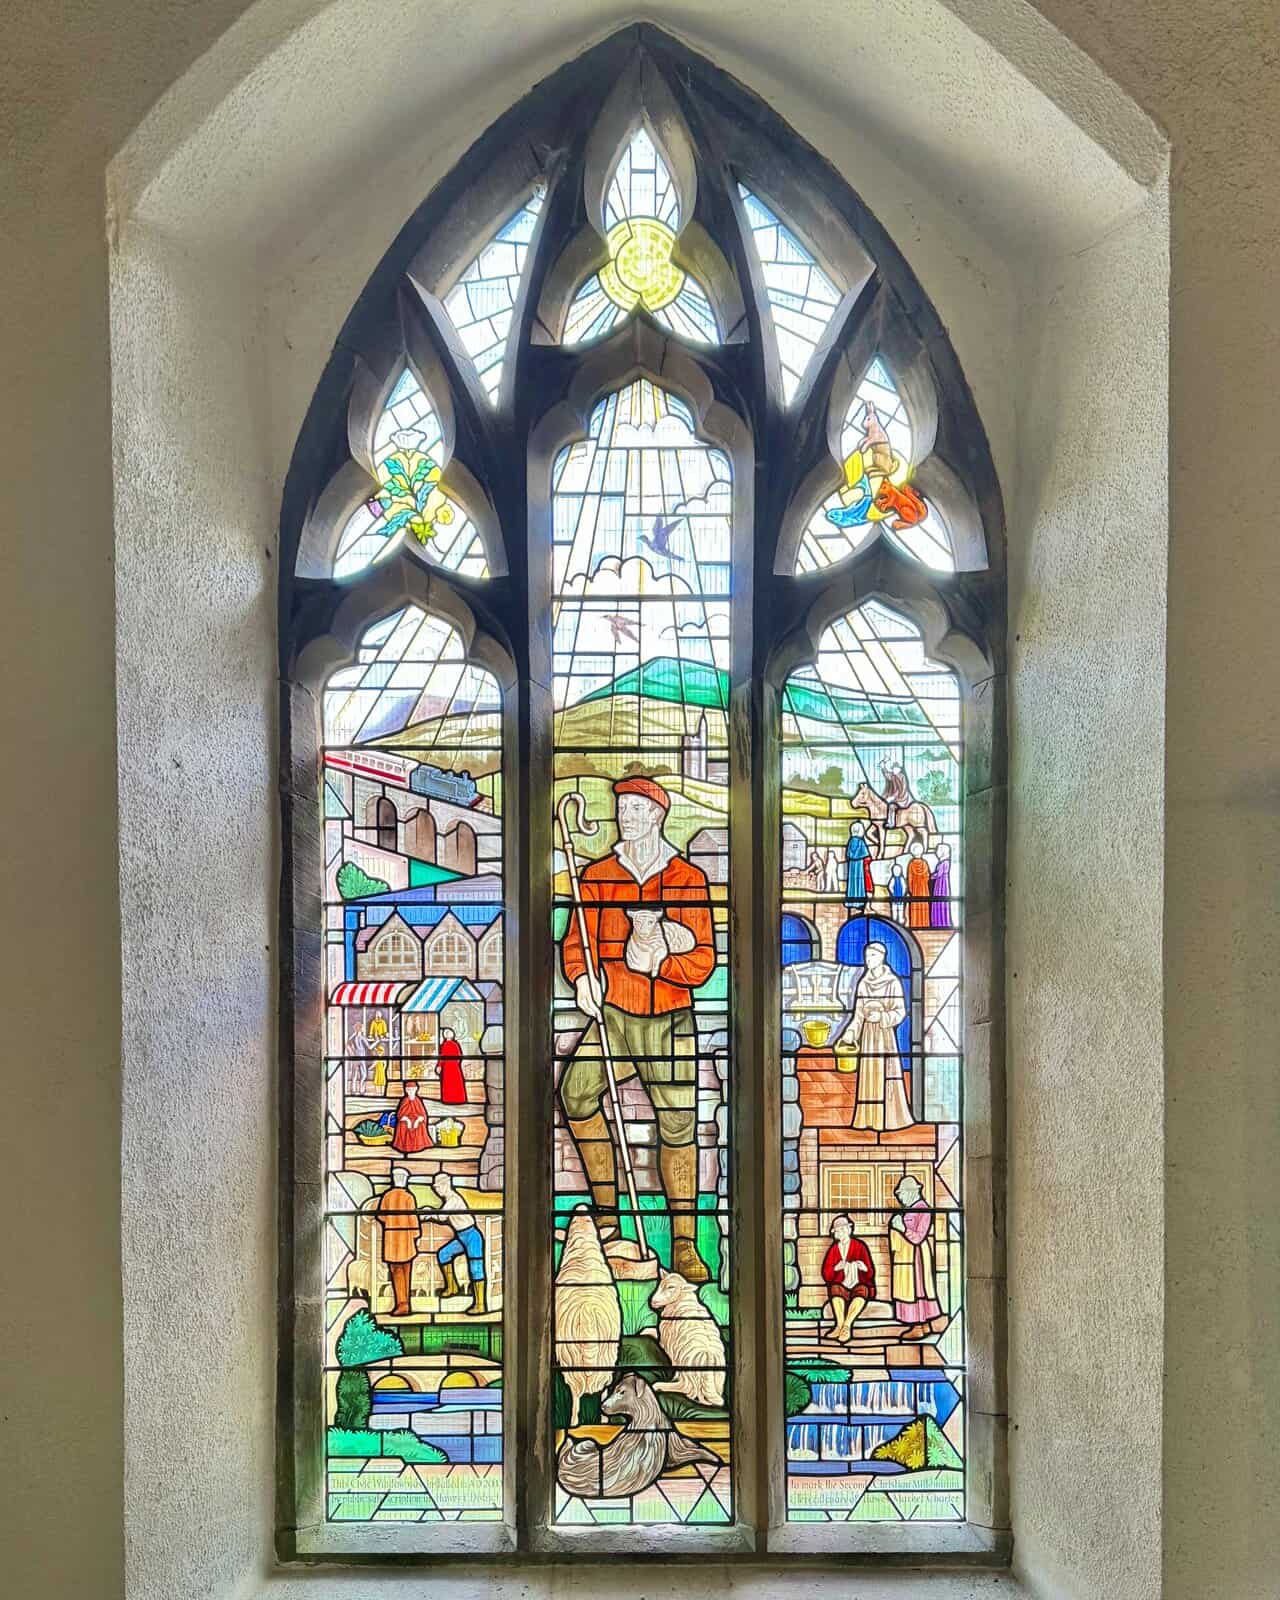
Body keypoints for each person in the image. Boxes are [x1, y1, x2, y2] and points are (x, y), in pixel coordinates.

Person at [559, 776, 716, 1282]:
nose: (626, 814)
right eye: (622, 806)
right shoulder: (597, 875)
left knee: (678, 1126)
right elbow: (575, 944)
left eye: (636, 807)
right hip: (614, 1017)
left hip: (670, 1018)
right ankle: (607, 1220)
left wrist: (662, 966)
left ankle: (685, 1242)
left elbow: (704, 960)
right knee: (576, 1093)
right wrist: (582, 979)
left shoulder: (688, 879)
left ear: (657, 815)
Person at [850, 942, 913, 1131]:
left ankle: (889, 1119)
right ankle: (868, 1119)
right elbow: (858, 1015)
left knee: (887, 1075)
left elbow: (900, 1012)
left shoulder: (892, 982)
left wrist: (882, 1017)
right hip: (868, 1036)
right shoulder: (863, 983)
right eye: (867, 956)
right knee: (869, 1074)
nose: (869, 960)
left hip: (885, 1036)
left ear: (882, 957)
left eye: (873, 956)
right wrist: (851, 1033)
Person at [888, 1174, 943, 1340]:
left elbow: (919, 1236)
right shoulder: (909, 1209)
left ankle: (918, 1326)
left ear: (911, 1192)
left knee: (917, 1289)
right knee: (913, 1289)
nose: (900, 1198)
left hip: (917, 1257)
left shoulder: (923, 1209)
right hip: (906, 1255)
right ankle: (924, 1325)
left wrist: (902, 1228)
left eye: (901, 1194)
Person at [431, 1172, 487, 1315]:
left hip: (472, 1236)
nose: (437, 1190)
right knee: (444, 1254)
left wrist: (429, 1214)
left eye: (438, 1187)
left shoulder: (453, 1199)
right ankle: (452, 1287)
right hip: (462, 1237)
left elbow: (442, 1216)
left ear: (445, 1185)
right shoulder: (450, 1200)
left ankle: (480, 1304)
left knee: (476, 1268)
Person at [821, 1214, 876, 1344]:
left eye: (843, 1229)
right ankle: (839, 1325)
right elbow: (826, 1274)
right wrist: (836, 1268)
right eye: (838, 1231)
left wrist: (863, 1268)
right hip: (842, 1285)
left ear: (849, 1230)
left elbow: (870, 1272)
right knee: (835, 1289)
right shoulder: (834, 1249)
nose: (841, 1233)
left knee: (862, 1290)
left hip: (858, 1284)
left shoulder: (860, 1246)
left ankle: (847, 1326)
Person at [376, 1165, 421, 1316]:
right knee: (406, 1270)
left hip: (391, 1238)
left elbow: (380, 1216)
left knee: (395, 1271)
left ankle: (400, 1303)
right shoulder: (408, 1197)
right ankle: (405, 1303)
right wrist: (416, 1235)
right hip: (406, 1238)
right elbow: (413, 1218)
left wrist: (391, 1222)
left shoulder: (387, 1196)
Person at [392, 1077, 432, 1155]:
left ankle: (419, 1145)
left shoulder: (418, 1101)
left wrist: (417, 1120)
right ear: (406, 1090)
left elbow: (423, 1115)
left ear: (416, 1089)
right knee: (403, 1124)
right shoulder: (404, 1101)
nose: (411, 1091)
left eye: (412, 1089)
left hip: (416, 1121)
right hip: (406, 1120)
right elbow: (400, 1115)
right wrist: (407, 1120)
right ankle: (404, 1146)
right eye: (409, 1090)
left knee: (420, 1125)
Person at [844, 820, 872, 906]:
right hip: (859, 865)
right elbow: (867, 855)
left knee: (852, 882)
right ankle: (859, 902)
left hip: (852, 865)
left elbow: (848, 854)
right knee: (859, 882)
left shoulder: (851, 841)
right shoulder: (860, 841)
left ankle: (851, 901)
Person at [905, 840, 931, 929]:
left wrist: (911, 889)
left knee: (915, 905)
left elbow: (910, 878)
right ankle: (924, 923)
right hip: (924, 888)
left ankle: (916, 924)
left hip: (915, 888)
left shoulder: (911, 864)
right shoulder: (924, 864)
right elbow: (927, 876)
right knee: (923, 905)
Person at [438, 1026, 466, 1105]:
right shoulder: (454, 1044)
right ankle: (458, 1099)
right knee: (455, 1083)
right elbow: (458, 1056)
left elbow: (443, 1057)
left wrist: (440, 1065)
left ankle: (449, 1099)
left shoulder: (446, 1045)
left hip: (448, 1067)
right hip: (454, 1066)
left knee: (449, 1083)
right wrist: (455, 1063)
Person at [930, 843, 952, 929]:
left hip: (941, 884)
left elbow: (938, 874)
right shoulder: (945, 862)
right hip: (940, 883)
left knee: (941, 901)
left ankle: (940, 922)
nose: (937, 852)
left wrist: (930, 876)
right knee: (940, 902)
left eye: (938, 850)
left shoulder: (944, 863)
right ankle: (940, 922)